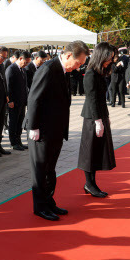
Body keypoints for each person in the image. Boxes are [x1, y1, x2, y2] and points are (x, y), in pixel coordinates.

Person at [27, 40, 90, 221]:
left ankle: (49, 202)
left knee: (50, 169)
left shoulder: (64, 70)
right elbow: (34, 99)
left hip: (55, 129)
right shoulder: (48, 69)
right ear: (68, 55)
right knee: (40, 170)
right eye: (78, 63)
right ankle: (40, 207)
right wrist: (33, 127)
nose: (78, 67)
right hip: (42, 130)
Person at [78, 42, 117, 198]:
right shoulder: (90, 74)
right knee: (90, 152)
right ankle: (89, 183)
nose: (111, 61)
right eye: (109, 57)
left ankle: (92, 183)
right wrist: (97, 120)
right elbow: (92, 99)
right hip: (92, 118)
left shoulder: (100, 73)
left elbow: (100, 99)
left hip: (100, 116)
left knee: (97, 151)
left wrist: (105, 118)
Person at [6, 50, 32, 151]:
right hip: (14, 102)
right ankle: (14, 142)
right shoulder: (11, 69)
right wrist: (10, 100)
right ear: (20, 59)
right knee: (13, 122)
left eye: (28, 63)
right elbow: (8, 87)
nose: (26, 64)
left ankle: (19, 141)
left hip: (21, 101)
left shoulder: (23, 70)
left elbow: (24, 86)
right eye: (26, 62)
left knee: (20, 122)